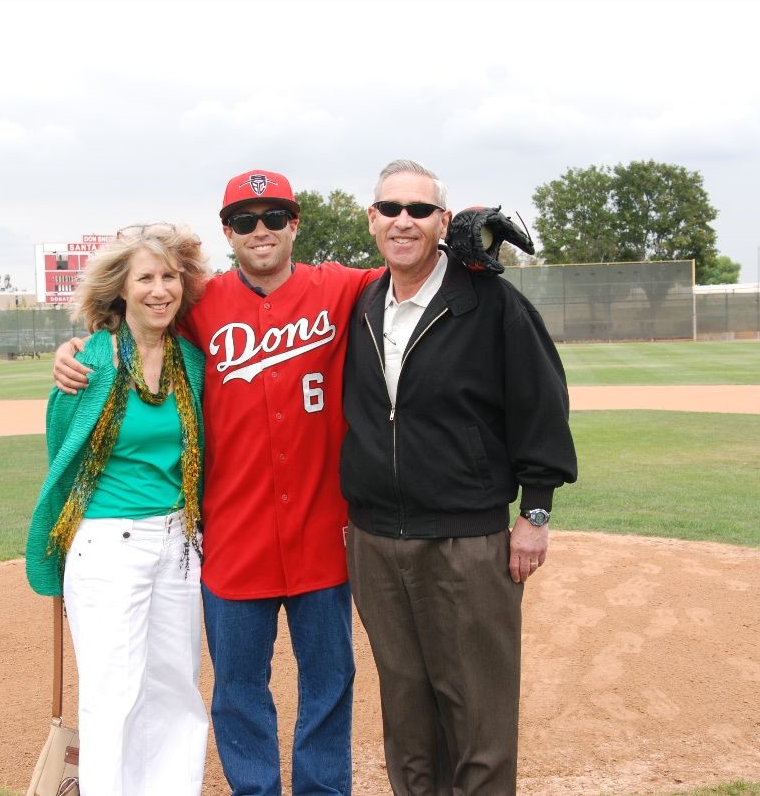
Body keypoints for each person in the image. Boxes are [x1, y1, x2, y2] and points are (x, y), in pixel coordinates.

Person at [53, 170, 379, 795]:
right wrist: (78, 347)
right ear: (226, 232)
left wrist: (462, 235)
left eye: (274, 216)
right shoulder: (200, 306)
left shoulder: (340, 287)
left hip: (320, 532)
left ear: (295, 222)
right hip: (233, 536)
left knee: (331, 681)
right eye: (245, 220)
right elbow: (132, 326)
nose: (261, 230)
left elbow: (409, 265)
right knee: (235, 688)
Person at [339, 159, 578, 795]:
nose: (404, 221)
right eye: (391, 209)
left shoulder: (490, 302)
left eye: (420, 210)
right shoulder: (361, 303)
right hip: (376, 541)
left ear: (444, 222)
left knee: (478, 719)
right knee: (407, 718)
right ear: (373, 219)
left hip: (465, 543)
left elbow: (542, 404)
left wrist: (535, 514)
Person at [25, 222, 210, 795]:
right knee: (114, 692)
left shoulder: (192, 362)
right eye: (146, 278)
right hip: (107, 544)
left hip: (180, 542)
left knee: (176, 688)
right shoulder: (89, 362)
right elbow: (62, 453)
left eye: (170, 277)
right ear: (121, 290)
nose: (160, 289)